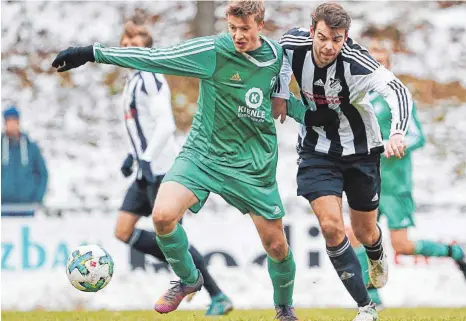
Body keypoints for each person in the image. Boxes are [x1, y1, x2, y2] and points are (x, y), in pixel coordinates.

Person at [50, 1, 321, 319]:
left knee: (277, 246)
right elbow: (154, 57)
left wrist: (317, 118)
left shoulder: (276, 57)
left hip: (252, 164)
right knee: (162, 216)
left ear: (260, 25)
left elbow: (293, 77)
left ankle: (284, 308)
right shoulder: (214, 52)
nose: (238, 36)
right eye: (232, 28)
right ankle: (189, 280)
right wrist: (91, 52)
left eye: (245, 29)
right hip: (202, 155)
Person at [272, 3, 415, 320]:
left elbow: (398, 91)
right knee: (331, 227)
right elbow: (278, 57)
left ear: (345, 37)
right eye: (322, 37)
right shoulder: (292, 45)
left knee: (365, 232)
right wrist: (281, 92)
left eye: (336, 39)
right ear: (311, 31)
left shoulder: (356, 60)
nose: (328, 46)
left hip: (361, 153)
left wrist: (397, 132)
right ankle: (366, 307)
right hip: (317, 151)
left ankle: (377, 252)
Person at [114, 21, 233, 316]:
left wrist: (146, 157)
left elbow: (165, 126)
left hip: (162, 171)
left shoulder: (150, 77)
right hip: (146, 170)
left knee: (172, 238)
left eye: (135, 44)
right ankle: (184, 269)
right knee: (123, 230)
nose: (128, 48)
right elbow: (144, 126)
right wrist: (134, 156)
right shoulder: (133, 79)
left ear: (147, 49)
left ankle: (216, 295)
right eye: (125, 44)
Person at [346, 41, 466, 306]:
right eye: (371, 61)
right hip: (368, 182)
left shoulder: (398, 97)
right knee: (355, 234)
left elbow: (417, 137)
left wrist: (394, 144)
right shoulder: (358, 96)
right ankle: (372, 297)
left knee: (401, 245)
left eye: (381, 61)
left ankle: (456, 252)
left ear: (388, 65)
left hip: (394, 185)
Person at [1, 105, 48, 217]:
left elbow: (42, 174)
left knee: (26, 234)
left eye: (14, 120)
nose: (11, 124)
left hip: (27, 208)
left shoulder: (31, 147)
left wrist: (37, 199)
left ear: (18, 122)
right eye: (9, 121)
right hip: (3, 209)